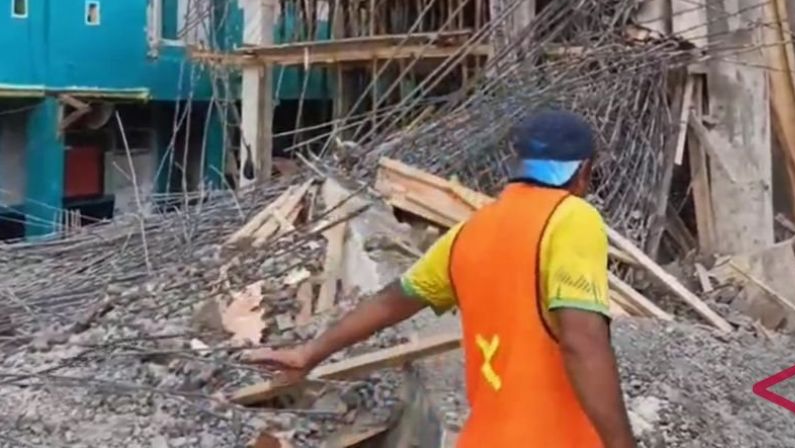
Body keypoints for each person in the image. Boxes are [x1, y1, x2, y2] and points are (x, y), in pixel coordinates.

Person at [246, 109, 636, 448]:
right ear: (583, 172)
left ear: (516, 166)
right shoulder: (573, 218)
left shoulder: (471, 232)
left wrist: (309, 353)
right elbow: (581, 341)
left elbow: (391, 300)